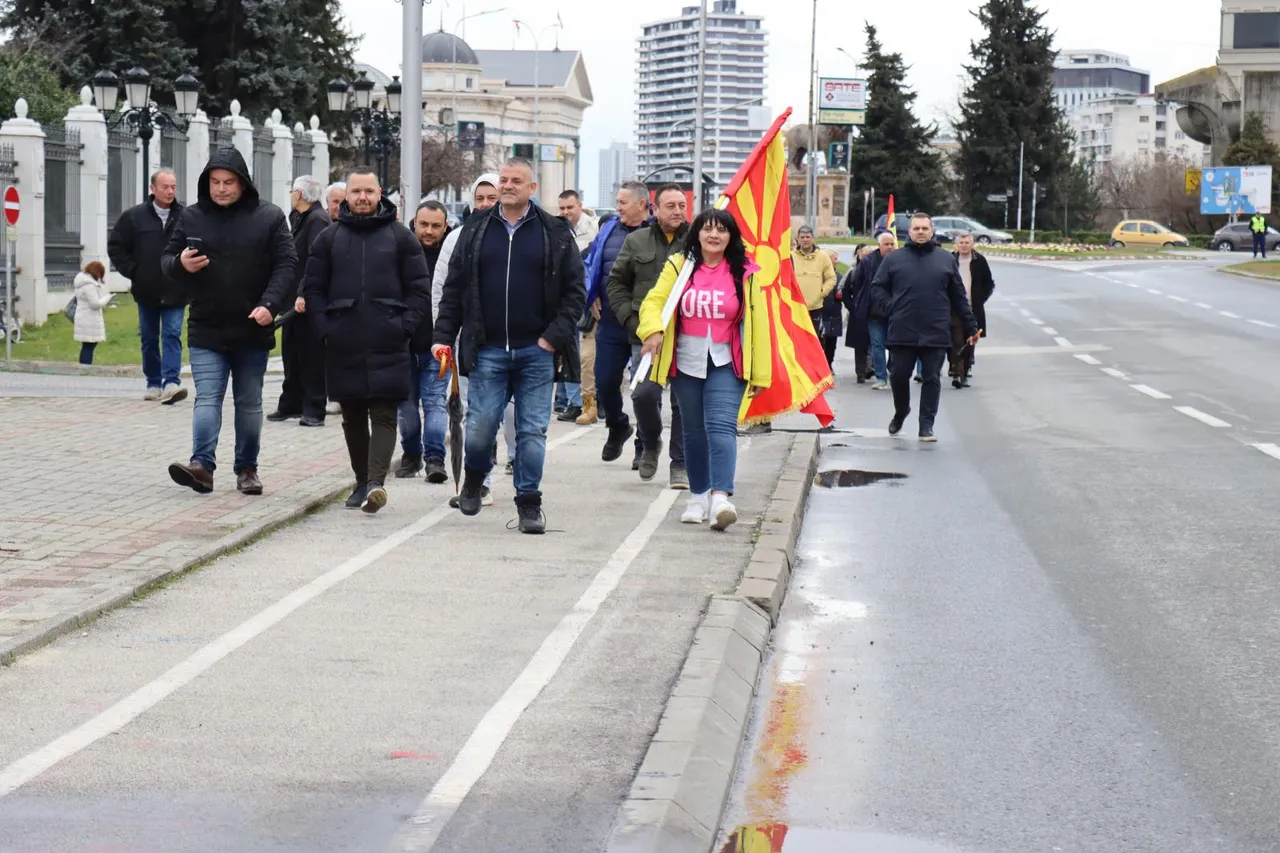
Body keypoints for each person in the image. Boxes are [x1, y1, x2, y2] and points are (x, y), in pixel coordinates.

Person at [432, 158, 586, 534]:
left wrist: (553, 337)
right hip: (487, 349)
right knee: (481, 424)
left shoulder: (555, 232)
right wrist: (441, 336)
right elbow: (455, 289)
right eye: (504, 180)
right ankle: (474, 478)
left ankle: (529, 503)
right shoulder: (476, 230)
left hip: (537, 351)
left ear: (533, 188)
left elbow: (574, 294)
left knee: (532, 431)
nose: (508, 185)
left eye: (517, 180)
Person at [161, 148, 296, 495]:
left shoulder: (269, 217)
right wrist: (180, 264)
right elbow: (166, 260)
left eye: (229, 182)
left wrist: (270, 304)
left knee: (249, 403)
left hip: (253, 328)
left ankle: (247, 468)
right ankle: (201, 466)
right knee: (207, 397)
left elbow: (286, 265)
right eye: (215, 182)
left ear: (243, 183)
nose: (221, 189)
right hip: (207, 326)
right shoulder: (191, 217)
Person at [302, 168, 431, 513]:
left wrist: (405, 325)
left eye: (369, 191)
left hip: (389, 339)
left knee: (385, 414)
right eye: (356, 191)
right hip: (343, 340)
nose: (362, 197)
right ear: (346, 196)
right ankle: (361, 482)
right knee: (352, 416)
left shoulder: (401, 237)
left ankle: (376, 484)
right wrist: (325, 327)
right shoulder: (328, 239)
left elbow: (419, 288)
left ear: (379, 194)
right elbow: (312, 288)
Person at [637, 209, 769, 531]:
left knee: (721, 428)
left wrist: (761, 373)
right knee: (693, 433)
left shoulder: (745, 272)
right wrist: (652, 330)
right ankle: (697, 496)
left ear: (730, 237)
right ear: (696, 233)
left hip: (727, 361)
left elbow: (760, 324)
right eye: (708, 229)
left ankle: (721, 498)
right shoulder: (681, 267)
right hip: (686, 362)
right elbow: (653, 302)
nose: (714, 235)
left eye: (721, 230)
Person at [607, 183, 690, 487]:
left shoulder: (698, 242)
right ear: (655, 209)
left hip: (686, 336)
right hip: (645, 336)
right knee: (644, 395)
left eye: (682, 205)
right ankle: (650, 443)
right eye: (671, 206)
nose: (678, 211)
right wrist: (631, 319)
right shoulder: (637, 241)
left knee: (682, 402)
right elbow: (616, 283)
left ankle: (679, 463)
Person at [870, 213, 978, 442]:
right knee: (898, 376)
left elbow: (958, 296)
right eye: (916, 228)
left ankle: (926, 425)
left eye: (924, 228)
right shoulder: (894, 259)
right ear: (909, 232)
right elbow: (877, 287)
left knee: (931, 378)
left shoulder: (945, 259)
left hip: (936, 330)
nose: (920, 232)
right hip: (902, 329)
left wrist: (971, 326)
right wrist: (892, 307)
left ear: (932, 231)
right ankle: (901, 411)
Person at [433, 173, 502, 507]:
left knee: (500, 416)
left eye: (493, 197)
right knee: (471, 415)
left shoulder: (512, 238)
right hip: (468, 342)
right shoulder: (456, 238)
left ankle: (516, 470)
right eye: (480, 198)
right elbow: (442, 291)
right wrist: (442, 337)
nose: (486, 204)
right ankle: (478, 482)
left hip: (505, 341)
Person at [108, 168, 187, 403]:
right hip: (147, 289)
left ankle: (171, 382)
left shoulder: (185, 216)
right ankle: (153, 382)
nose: (170, 191)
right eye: (165, 187)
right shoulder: (134, 217)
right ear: (153, 189)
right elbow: (116, 247)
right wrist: (135, 272)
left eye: (173, 187)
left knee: (172, 333)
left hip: (176, 287)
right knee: (150, 337)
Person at [588, 180, 653, 462]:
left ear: (641, 204)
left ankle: (644, 443)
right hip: (611, 322)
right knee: (604, 382)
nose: (617, 208)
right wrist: (591, 295)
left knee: (644, 389)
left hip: (645, 325)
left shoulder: (657, 234)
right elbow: (591, 262)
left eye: (622, 203)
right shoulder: (608, 230)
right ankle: (618, 426)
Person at [395, 200, 452, 483]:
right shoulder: (400, 249)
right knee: (405, 405)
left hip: (438, 344)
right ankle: (410, 454)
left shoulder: (451, 256)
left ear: (445, 227)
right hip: (402, 342)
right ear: (414, 223)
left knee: (434, 402)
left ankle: (435, 458)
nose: (428, 231)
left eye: (435, 226)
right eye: (424, 224)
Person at [268, 175, 331, 426]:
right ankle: (291, 403)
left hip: (308, 299)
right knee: (291, 353)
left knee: (311, 356)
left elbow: (316, 260)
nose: (291, 194)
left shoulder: (318, 220)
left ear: (301, 194)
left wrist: (304, 293)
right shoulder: (297, 217)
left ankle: (315, 409)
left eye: (293, 190)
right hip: (292, 298)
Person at [553, 189, 599, 423]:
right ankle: (572, 401)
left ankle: (582, 402)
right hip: (563, 299)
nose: (566, 212)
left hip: (586, 298)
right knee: (567, 351)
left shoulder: (594, 230)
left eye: (570, 207)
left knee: (583, 354)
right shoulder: (556, 229)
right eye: (561, 208)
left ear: (580, 206)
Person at [846, 232, 896, 390]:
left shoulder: (899, 260)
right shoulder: (867, 262)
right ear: (879, 245)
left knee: (896, 345)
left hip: (895, 311)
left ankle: (893, 371)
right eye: (886, 244)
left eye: (891, 244)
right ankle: (881, 377)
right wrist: (859, 304)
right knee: (877, 345)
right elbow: (857, 283)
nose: (889, 247)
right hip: (873, 312)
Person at [949, 231, 995, 389]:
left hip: (973, 308)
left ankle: (964, 370)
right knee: (955, 341)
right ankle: (957, 373)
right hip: (954, 308)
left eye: (967, 243)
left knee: (970, 340)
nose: (964, 246)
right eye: (961, 243)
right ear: (956, 245)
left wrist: (980, 298)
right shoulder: (950, 260)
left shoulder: (979, 261)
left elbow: (989, 283)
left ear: (972, 244)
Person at [792, 224, 836, 341]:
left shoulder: (823, 257)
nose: (805, 240)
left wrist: (822, 292)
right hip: (795, 307)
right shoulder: (790, 256)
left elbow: (831, 278)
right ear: (798, 239)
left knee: (813, 340)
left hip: (815, 307)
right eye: (802, 237)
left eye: (808, 237)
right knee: (796, 341)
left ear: (813, 238)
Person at [72, 261, 110, 365]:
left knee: (87, 345)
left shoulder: (81, 281)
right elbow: (95, 304)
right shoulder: (89, 285)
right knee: (89, 345)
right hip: (89, 318)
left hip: (83, 316)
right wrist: (107, 298)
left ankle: (84, 365)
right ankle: (85, 367)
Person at [819, 248, 843, 371]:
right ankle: (821, 366)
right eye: (834, 259)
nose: (837, 261)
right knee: (820, 341)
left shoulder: (838, 276)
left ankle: (828, 364)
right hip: (820, 313)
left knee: (831, 343)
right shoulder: (818, 275)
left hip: (834, 314)